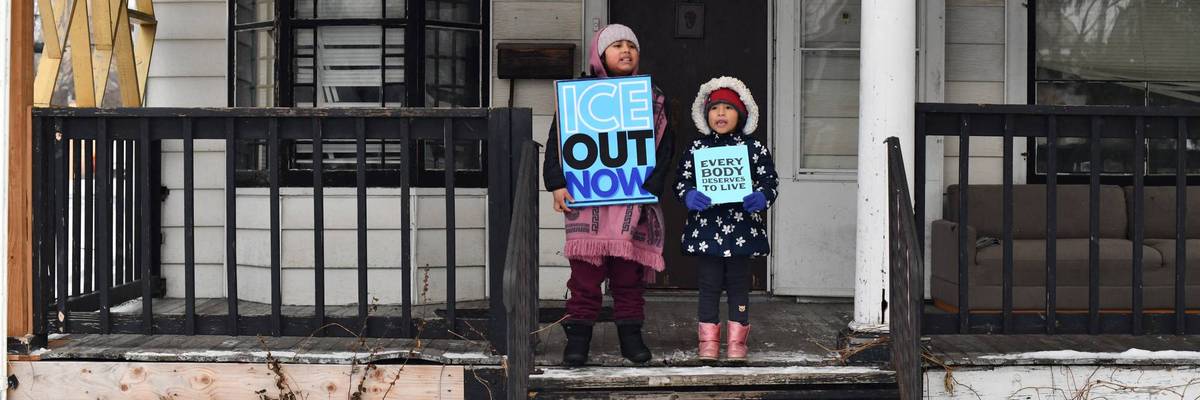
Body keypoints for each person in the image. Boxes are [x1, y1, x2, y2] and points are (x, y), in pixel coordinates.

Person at [542, 24, 675, 366]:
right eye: (616, 45)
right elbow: (559, 142)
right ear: (599, 55)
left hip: (632, 204)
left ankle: (631, 340)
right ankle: (578, 342)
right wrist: (557, 184)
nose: (626, 50)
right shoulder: (579, 97)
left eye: (631, 45)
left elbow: (664, 147)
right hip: (588, 206)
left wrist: (652, 186)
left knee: (628, 279)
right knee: (584, 280)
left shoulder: (652, 98)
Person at [673, 76, 778, 361]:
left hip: (741, 229)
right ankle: (708, 341)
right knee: (708, 285)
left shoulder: (754, 149)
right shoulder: (697, 148)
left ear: (742, 114)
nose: (721, 113)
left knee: (738, 285)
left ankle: (737, 342)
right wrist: (688, 195)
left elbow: (770, 181)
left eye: (728, 108)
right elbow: (681, 181)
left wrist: (762, 196)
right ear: (705, 114)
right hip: (708, 230)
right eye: (715, 108)